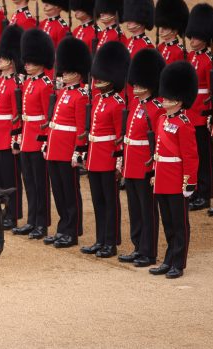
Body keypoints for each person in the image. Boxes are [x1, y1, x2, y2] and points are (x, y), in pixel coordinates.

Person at [149, 61, 199, 279]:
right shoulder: (161, 119)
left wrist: (188, 182)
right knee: (168, 222)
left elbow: (190, 156)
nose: (165, 100)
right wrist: (154, 172)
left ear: (179, 101)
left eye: (169, 98)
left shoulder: (185, 124)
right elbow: (157, 150)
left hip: (177, 178)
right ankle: (169, 258)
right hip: (162, 177)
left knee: (179, 224)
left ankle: (178, 262)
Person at [80, 41, 129, 258]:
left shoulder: (117, 103)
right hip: (94, 157)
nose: (99, 80)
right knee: (98, 201)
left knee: (111, 203)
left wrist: (119, 162)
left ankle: (111, 242)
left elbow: (120, 137)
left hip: (108, 158)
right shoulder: (98, 99)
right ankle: (100, 239)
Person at [118, 48, 165, 267]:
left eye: (139, 84)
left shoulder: (156, 109)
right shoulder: (136, 105)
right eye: (134, 84)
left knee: (148, 211)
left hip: (145, 165)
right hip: (132, 164)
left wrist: (154, 167)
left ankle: (149, 252)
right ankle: (138, 246)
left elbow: (157, 142)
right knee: (135, 210)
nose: (135, 87)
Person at [42, 36, 89, 248]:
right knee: (59, 192)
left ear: (78, 74)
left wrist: (79, 151)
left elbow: (80, 128)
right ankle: (63, 227)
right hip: (54, 148)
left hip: (68, 150)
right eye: (65, 71)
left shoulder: (81, 96)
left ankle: (72, 230)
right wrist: (46, 143)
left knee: (70, 192)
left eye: (69, 72)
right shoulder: (62, 93)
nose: (65, 75)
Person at [11, 28, 53, 240]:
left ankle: (42, 224)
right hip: (26, 138)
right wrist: (18, 138)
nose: (26, 64)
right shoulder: (27, 82)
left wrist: (45, 141)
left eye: (30, 61)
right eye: (25, 61)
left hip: (37, 140)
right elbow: (23, 116)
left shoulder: (46, 85)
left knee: (40, 184)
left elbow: (47, 118)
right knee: (29, 182)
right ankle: (31, 220)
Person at [0, 25, 24, 230]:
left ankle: (13, 213)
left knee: (11, 180)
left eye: (1, 59)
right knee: (0, 179)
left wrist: (15, 140)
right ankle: (4, 212)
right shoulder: (1, 81)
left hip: (7, 137)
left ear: (10, 61)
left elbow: (16, 116)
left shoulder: (14, 84)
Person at [184, 4, 213, 212]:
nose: (192, 41)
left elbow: (211, 93)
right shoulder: (191, 57)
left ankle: (205, 193)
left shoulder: (209, 61)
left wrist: (210, 114)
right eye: (191, 37)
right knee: (193, 156)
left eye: (196, 37)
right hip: (189, 114)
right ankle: (195, 190)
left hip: (202, 116)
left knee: (205, 157)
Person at [154, 0, 188, 65]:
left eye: (165, 28)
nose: (161, 30)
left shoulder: (180, 52)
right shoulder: (160, 47)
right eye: (160, 27)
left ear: (175, 31)